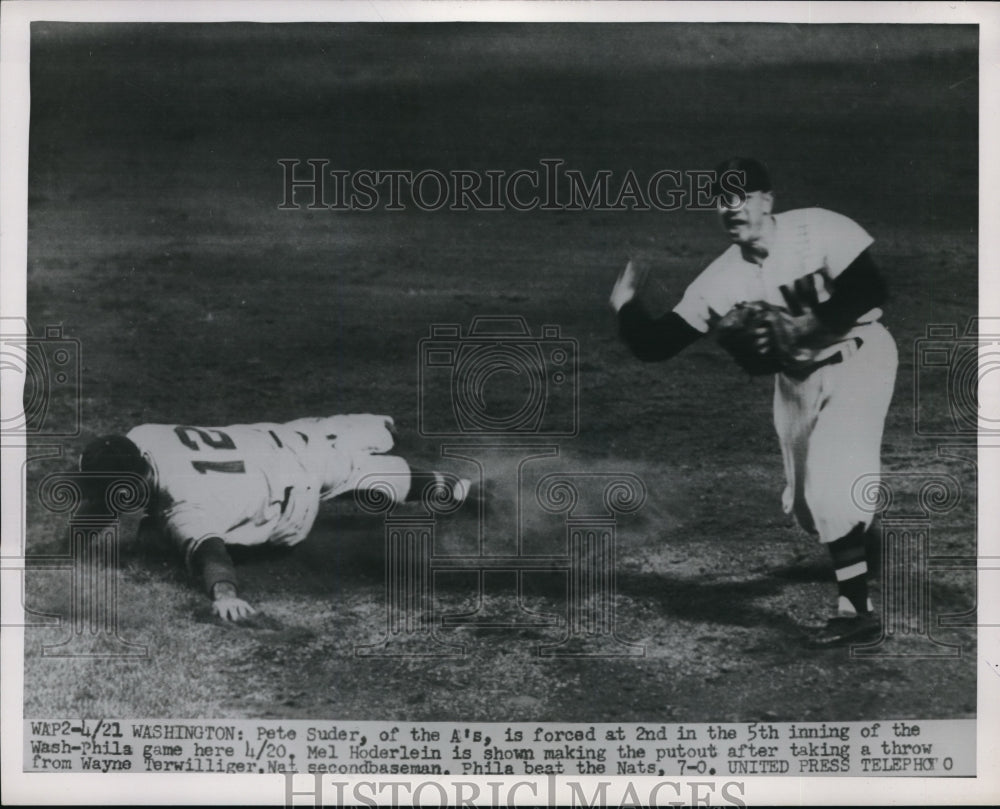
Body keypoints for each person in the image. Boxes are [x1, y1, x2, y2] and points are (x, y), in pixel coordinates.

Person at [609, 157, 897, 647]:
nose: (730, 206)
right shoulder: (718, 281)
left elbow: (870, 288)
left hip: (860, 361)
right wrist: (625, 306)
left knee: (832, 490)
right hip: (795, 387)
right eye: (721, 198)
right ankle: (861, 536)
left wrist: (809, 325)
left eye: (740, 194)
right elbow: (656, 345)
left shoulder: (819, 228)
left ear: (767, 199)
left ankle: (858, 612)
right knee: (807, 510)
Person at [79, 414, 469, 622]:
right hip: (278, 437)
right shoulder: (143, 435)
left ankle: (457, 491)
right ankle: (456, 487)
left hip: (289, 496)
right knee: (358, 444)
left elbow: (211, 555)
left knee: (349, 474)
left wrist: (225, 595)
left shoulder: (185, 507)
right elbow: (113, 479)